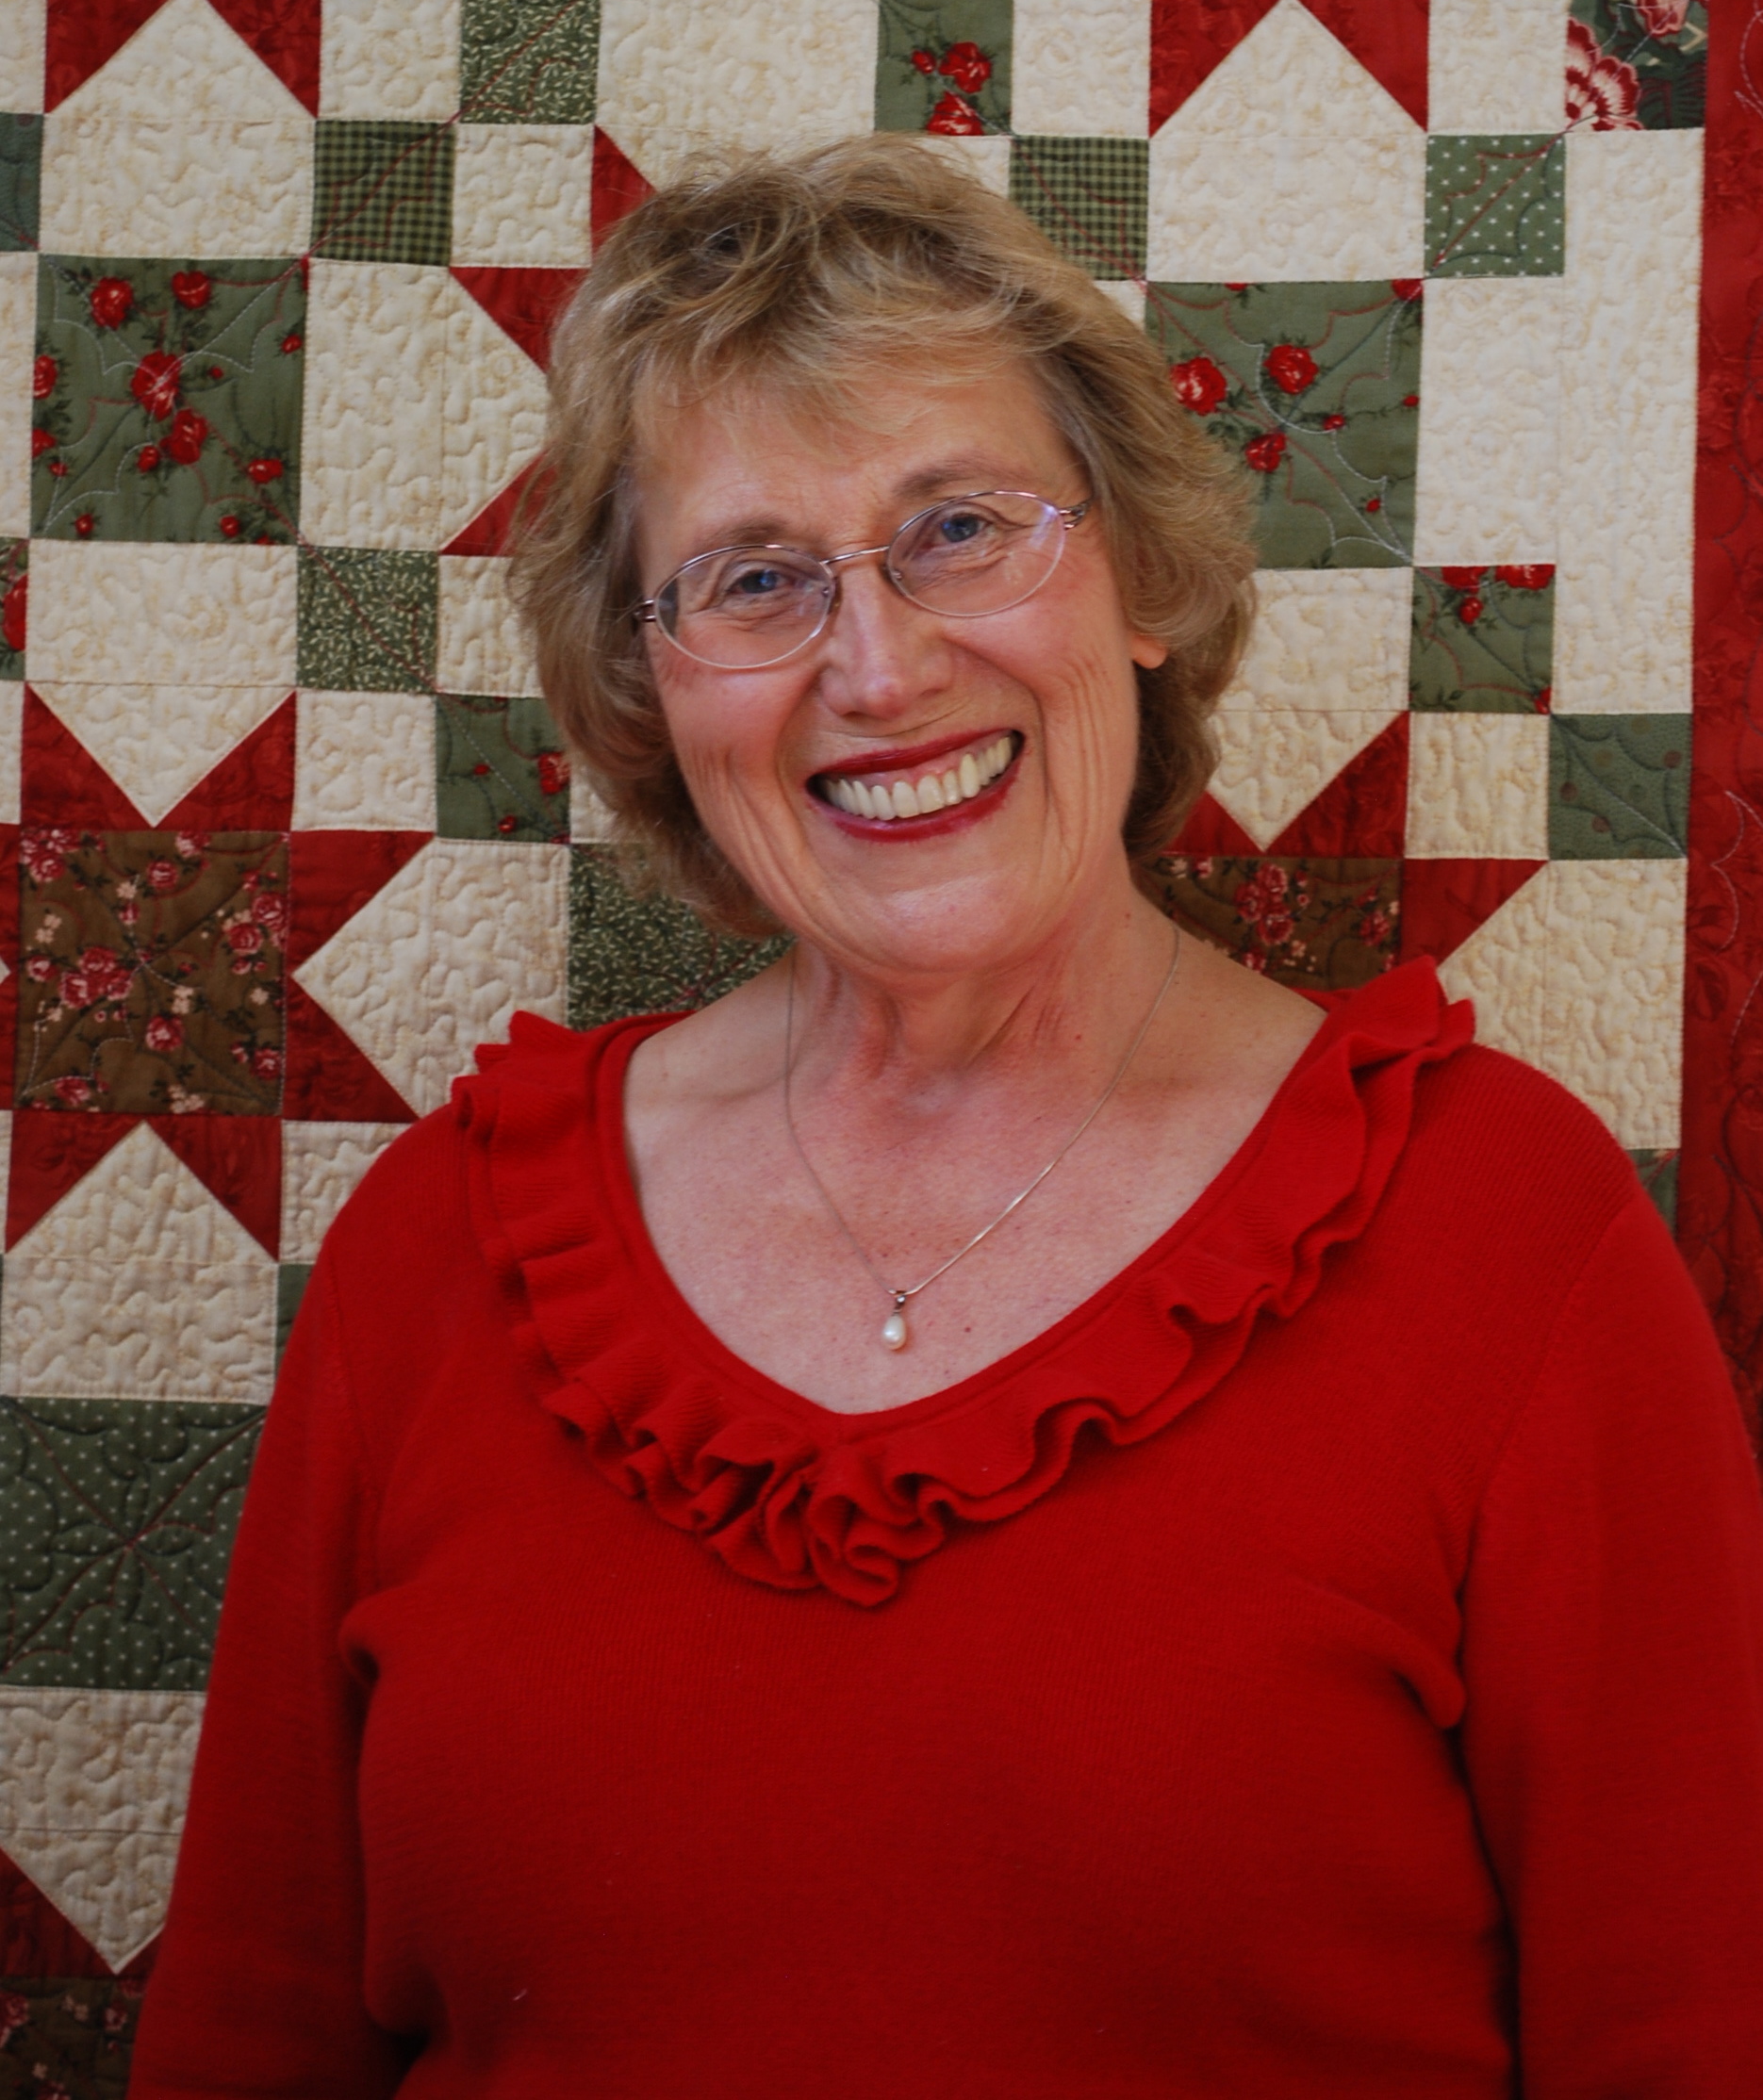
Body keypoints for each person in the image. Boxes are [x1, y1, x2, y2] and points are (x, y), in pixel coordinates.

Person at [131, 138, 1763, 2096]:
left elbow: (1689, 2035)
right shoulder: (434, 1253)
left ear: (1138, 578)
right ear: (650, 693)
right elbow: (246, 2036)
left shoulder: (1505, 1233)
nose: (880, 667)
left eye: (962, 529)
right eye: (754, 580)